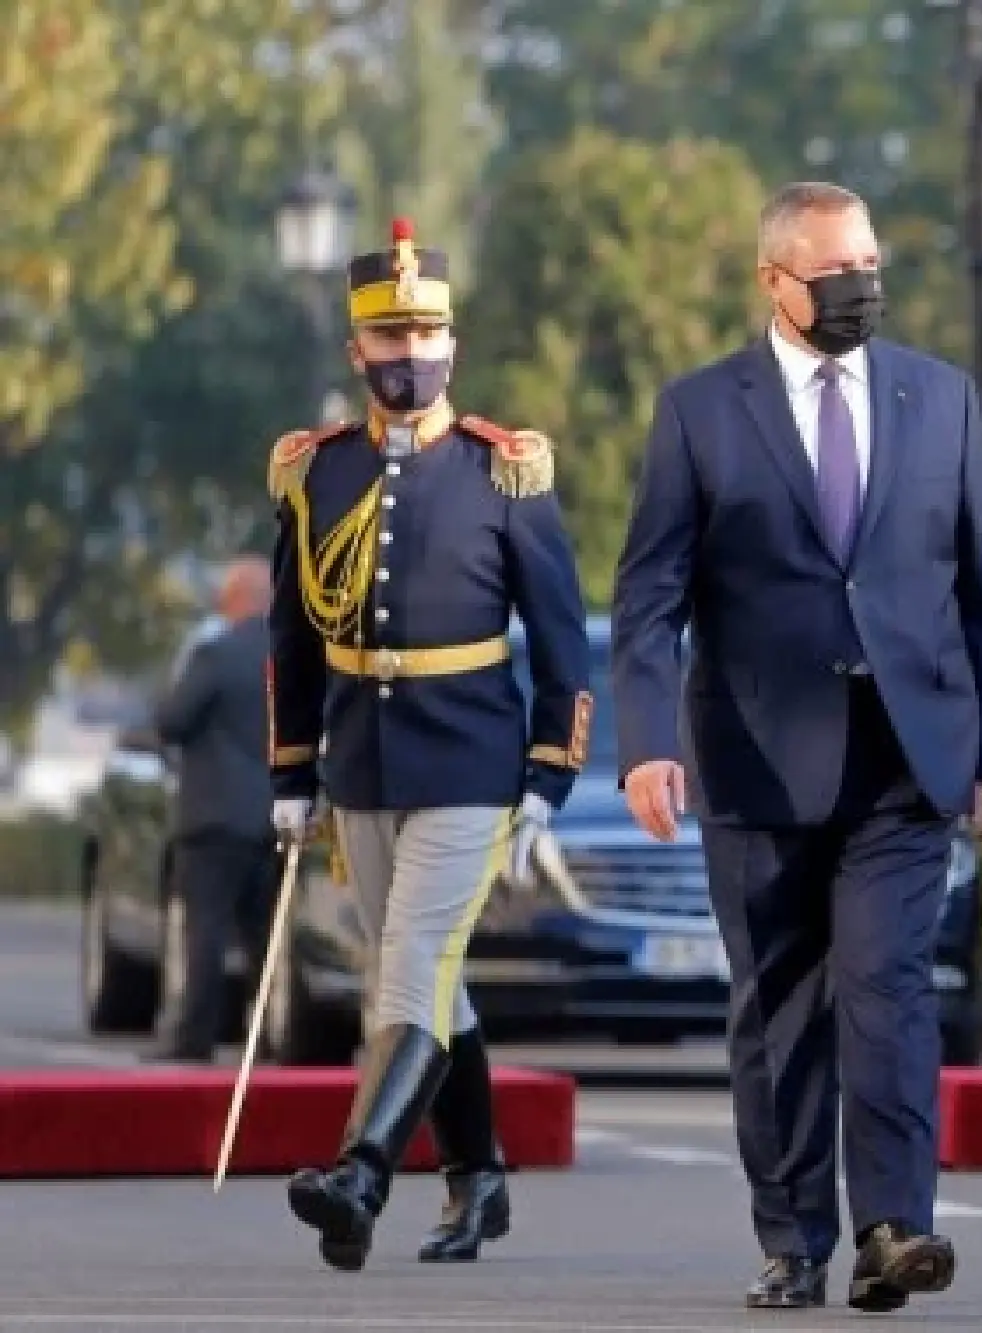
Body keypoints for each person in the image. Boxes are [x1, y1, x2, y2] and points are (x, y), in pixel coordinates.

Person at [611, 181, 982, 1314]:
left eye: (871, 265)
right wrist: (647, 742)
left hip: (907, 752)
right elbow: (648, 596)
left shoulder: (941, 399)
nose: (861, 289)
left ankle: (894, 1226)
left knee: (888, 985)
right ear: (774, 281)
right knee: (779, 1004)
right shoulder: (700, 411)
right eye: (836, 271)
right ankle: (793, 1235)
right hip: (754, 757)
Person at [264, 216, 592, 1272]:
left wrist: (548, 774)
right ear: (356, 351)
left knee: (408, 964)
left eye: (427, 340)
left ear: (452, 345)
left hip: (469, 760)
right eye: (389, 342)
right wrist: (291, 771)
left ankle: (359, 1170)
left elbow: (560, 640)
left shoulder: (507, 471)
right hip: (362, 755)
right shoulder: (314, 471)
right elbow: (292, 634)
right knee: (429, 983)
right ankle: (477, 1178)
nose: (410, 359)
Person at [146, 556, 279, 1064]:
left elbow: (172, 720)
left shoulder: (215, 654)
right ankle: (267, 1035)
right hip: (273, 818)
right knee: (263, 936)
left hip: (213, 818)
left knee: (205, 930)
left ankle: (194, 1038)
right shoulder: (293, 660)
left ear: (235, 598)